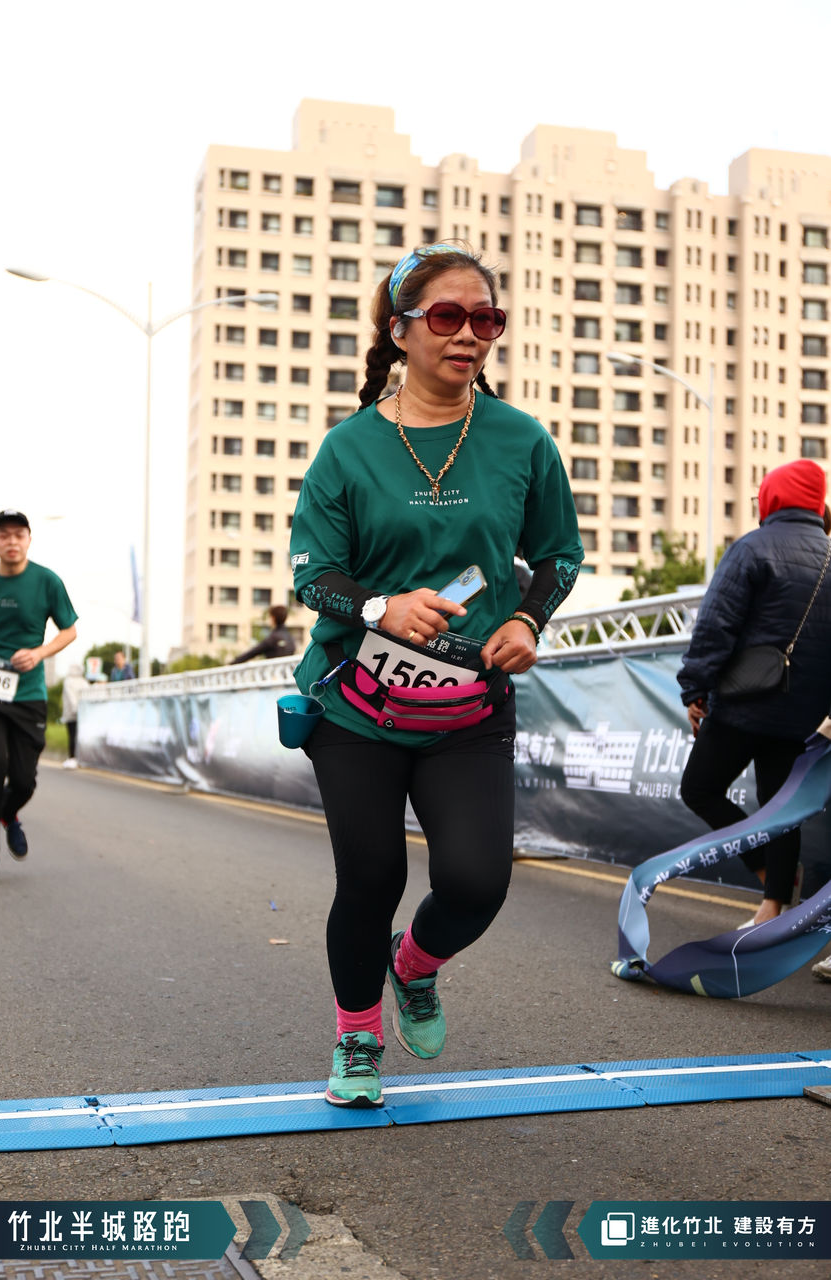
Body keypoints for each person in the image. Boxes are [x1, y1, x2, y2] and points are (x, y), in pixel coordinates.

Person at [289, 242, 583, 1107]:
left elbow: (559, 555)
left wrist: (527, 618)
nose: (468, 335)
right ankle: (356, 1037)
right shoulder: (348, 450)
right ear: (400, 329)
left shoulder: (519, 439)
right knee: (371, 876)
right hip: (355, 705)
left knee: (476, 882)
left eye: (485, 319)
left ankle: (413, 966)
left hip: (468, 709)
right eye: (448, 316)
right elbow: (312, 574)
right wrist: (382, 607)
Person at [677, 459, 831, 926]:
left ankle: (767, 876)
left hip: (744, 703)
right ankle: (773, 907)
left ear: (772, 498)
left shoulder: (752, 548)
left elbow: (715, 624)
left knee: (700, 789)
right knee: (780, 806)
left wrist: (695, 687)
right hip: (804, 714)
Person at [0, 510, 78, 881]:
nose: (12, 541)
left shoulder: (47, 581)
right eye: (4, 535)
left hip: (29, 693)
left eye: (19, 535)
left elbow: (69, 630)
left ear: (29, 540)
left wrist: (38, 654)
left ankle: (8, 813)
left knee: (23, 780)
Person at [231, 605, 296, 663]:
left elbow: (253, 652)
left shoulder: (273, 638)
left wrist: (233, 662)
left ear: (273, 618)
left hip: (273, 672)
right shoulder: (290, 638)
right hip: (288, 672)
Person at [60, 662, 90, 768]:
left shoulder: (68, 681)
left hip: (71, 713)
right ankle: (78, 758)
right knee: (79, 736)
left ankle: (72, 758)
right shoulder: (84, 682)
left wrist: (75, 709)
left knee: (72, 736)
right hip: (83, 713)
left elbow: (71, 697)